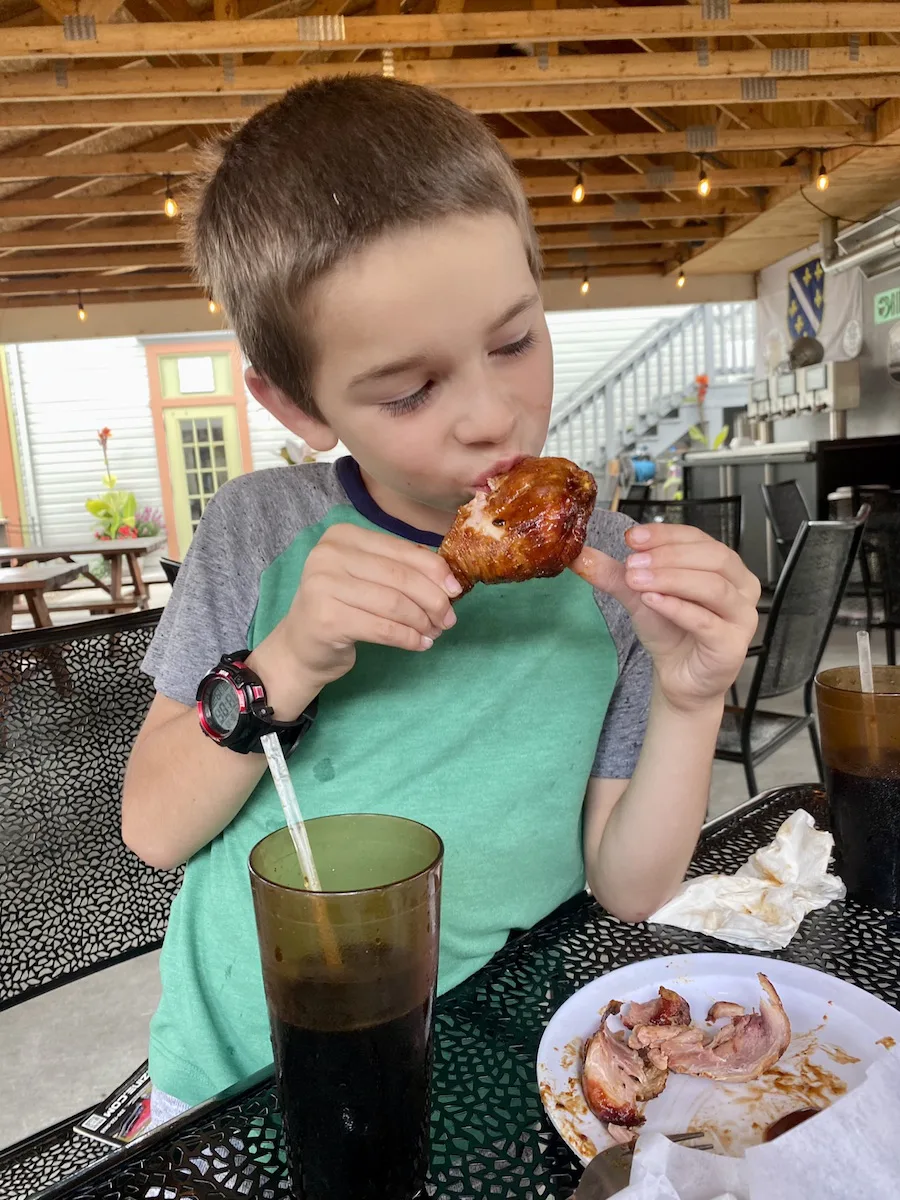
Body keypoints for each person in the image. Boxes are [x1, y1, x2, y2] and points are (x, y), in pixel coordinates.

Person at [122, 77, 760, 1126]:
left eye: (514, 341)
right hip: (235, 1068)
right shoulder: (259, 531)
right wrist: (285, 663)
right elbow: (152, 828)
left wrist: (692, 699)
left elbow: (630, 887)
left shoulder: (608, 579)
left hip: (490, 1055)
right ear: (295, 402)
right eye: (411, 389)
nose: (492, 413)